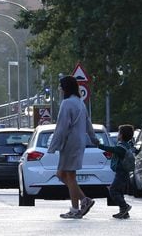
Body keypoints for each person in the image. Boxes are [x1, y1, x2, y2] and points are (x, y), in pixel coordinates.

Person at [47, 75, 98, 219]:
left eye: (60, 86)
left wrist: (53, 146)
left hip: (70, 143)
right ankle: (84, 200)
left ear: (65, 88)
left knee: (70, 176)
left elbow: (62, 127)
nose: (59, 89)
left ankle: (75, 209)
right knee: (61, 174)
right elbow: (88, 123)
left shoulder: (67, 103)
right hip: (79, 142)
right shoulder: (80, 103)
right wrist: (94, 138)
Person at [98, 124, 134, 219]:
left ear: (121, 135)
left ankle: (124, 206)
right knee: (119, 192)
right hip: (123, 173)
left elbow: (112, 150)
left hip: (121, 173)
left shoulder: (121, 147)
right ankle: (123, 212)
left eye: (119, 133)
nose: (118, 135)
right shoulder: (126, 146)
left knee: (113, 190)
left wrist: (99, 146)